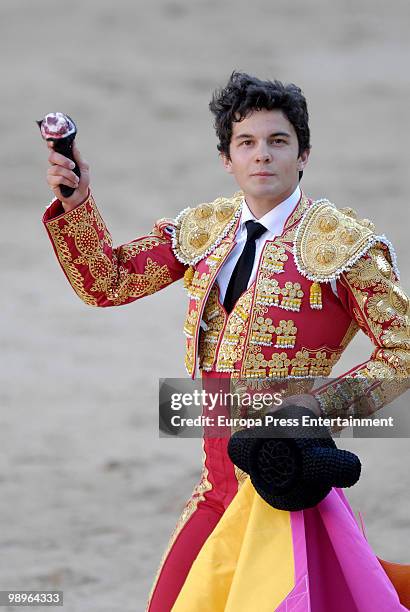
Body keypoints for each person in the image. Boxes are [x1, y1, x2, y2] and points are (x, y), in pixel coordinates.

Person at [42, 72, 410, 611]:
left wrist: (313, 411)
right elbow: (109, 282)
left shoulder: (343, 243)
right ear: (227, 158)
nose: (262, 155)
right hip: (216, 486)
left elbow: (403, 348)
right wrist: (78, 206)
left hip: (284, 483)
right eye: (247, 143)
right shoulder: (206, 228)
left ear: (303, 154)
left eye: (278, 141)